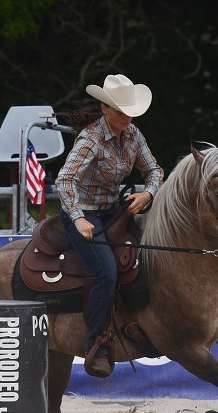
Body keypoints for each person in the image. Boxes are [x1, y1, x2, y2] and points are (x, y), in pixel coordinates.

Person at [56, 74, 164, 378]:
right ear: (104, 108)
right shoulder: (90, 139)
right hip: (84, 212)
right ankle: (98, 343)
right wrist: (77, 217)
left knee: (150, 255)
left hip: (115, 209)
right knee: (106, 271)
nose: (127, 116)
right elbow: (65, 180)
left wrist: (148, 192)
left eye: (129, 110)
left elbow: (153, 169)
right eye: (120, 110)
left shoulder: (133, 134)